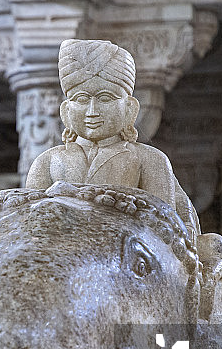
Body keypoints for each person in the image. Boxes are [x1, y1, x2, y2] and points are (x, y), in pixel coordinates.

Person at [25, 39, 199, 237]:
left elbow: (165, 226)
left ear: (130, 109)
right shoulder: (47, 161)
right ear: (65, 111)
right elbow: (31, 227)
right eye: (81, 99)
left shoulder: (150, 160)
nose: (92, 111)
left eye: (105, 98)